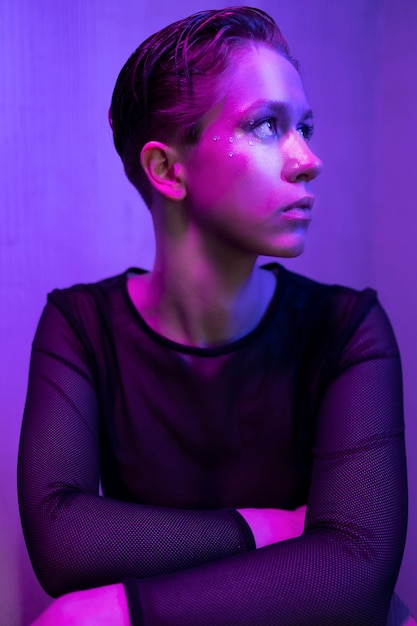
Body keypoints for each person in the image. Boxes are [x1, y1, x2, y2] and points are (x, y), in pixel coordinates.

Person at [17, 6, 413, 625]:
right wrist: (264, 529)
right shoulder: (81, 324)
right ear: (167, 169)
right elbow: (63, 541)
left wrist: (121, 611)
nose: (308, 159)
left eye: (305, 127)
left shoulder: (346, 326)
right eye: (266, 126)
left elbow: (355, 569)